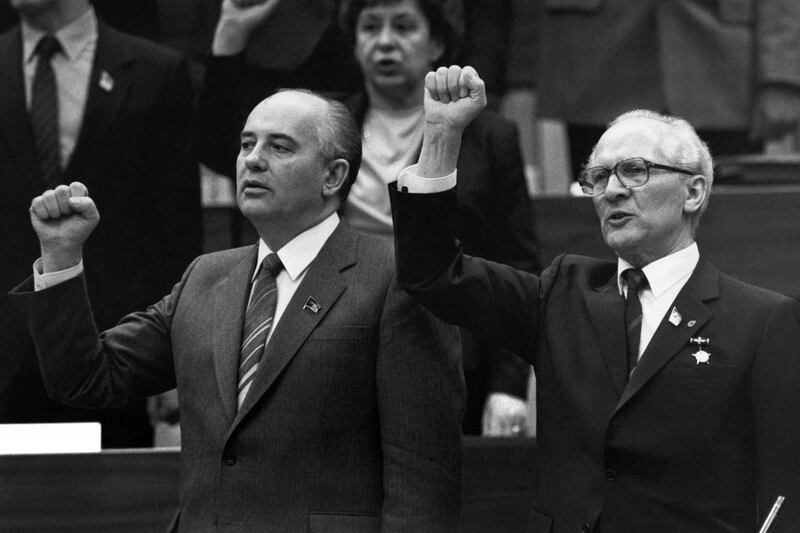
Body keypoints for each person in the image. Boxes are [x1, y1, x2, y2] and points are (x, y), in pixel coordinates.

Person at [11, 89, 464, 532]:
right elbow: (86, 378)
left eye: (279, 146)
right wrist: (60, 257)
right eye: (247, 144)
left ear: (333, 176)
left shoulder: (395, 280)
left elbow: (422, 471)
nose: (252, 159)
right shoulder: (205, 278)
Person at [389, 65, 800, 532]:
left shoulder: (762, 320)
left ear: (694, 191)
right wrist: (442, 137)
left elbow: (787, 484)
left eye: (634, 171)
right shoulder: (563, 292)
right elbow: (434, 273)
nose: (612, 191)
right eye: (598, 177)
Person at [203, 0, 540, 437]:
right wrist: (229, 40)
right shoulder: (324, 126)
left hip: (453, 348)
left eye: (403, 27)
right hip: (332, 340)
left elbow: (519, 263)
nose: (384, 42)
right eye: (369, 28)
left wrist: (509, 385)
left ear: (437, 42)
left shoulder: (489, 136)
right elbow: (221, 144)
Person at [0, 0, 201, 448]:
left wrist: (173, 360)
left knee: (113, 508)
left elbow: (175, 229)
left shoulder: (157, 71)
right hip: (5, 344)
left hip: (117, 346)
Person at [534, 0, 800, 181]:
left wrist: (782, 75)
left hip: (722, 63)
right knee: (600, 229)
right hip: (596, 54)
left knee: (728, 230)